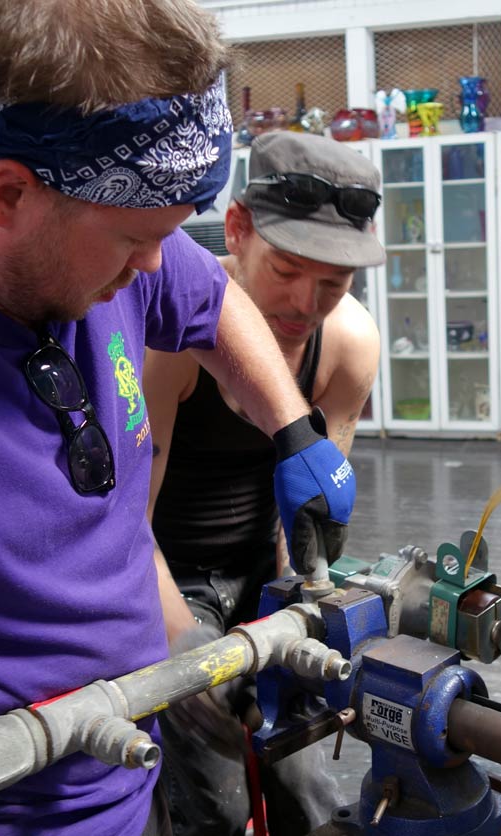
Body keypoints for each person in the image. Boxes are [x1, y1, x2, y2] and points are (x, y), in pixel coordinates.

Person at [0, 0, 358, 833]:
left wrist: (292, 429)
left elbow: (210, 295)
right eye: (133, 241)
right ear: (9, 192)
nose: (156, 266)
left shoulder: (96, 228)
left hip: (122, 780)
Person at [143, 131, 383, 836]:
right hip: (164, 571)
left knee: (303, 776)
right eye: (285, 271)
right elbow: (126, 518)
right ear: (239, 230)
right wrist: (181, 643)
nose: (306, 304)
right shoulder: (174, 339)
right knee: (217, 798)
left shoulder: (349, 342)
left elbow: (305, 518)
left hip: (260, 564)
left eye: (333, 285)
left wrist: (297, 613)